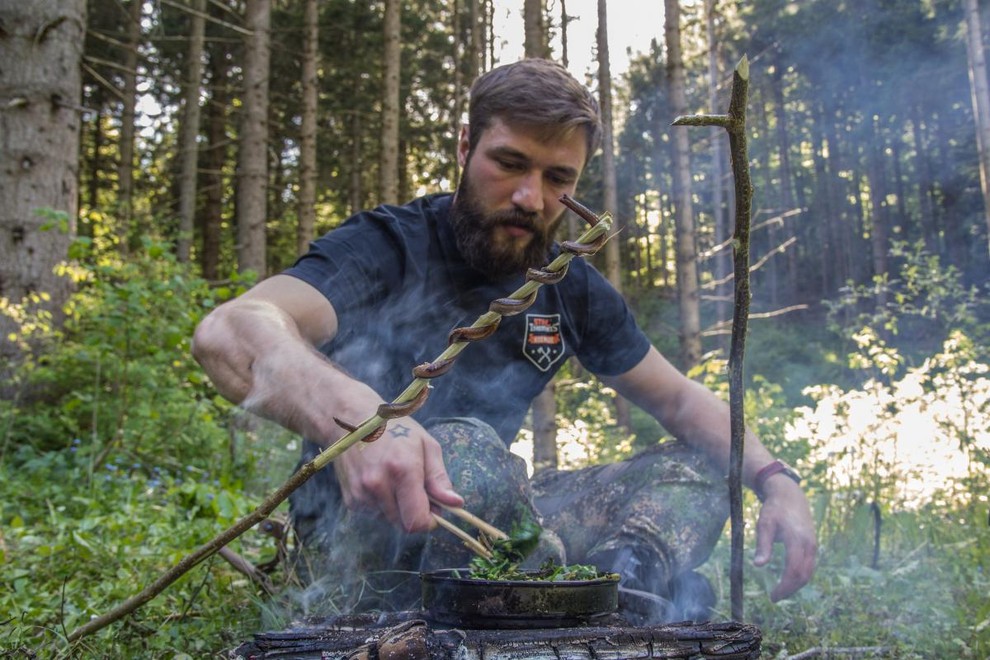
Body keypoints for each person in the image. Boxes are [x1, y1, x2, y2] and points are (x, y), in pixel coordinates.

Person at [192, 58, 816, 623]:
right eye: (510, 163)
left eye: (558, 179)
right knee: (465, 447)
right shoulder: (388, 246)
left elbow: (679, 402)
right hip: (356, 534)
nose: (530, 198)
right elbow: (232, 331)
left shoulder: (568, 286)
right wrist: (363, 422)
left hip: (498, 520)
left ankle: (616, 598)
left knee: (706, 463)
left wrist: (776, 479)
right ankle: (543, 586)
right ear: (466, 146)